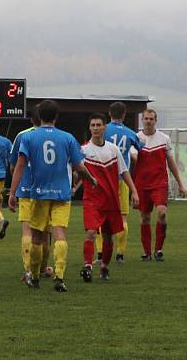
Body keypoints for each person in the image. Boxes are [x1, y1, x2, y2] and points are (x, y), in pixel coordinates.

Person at [8, 100, 97, 292]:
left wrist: (13, 192)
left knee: (37, 237)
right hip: (62, 194)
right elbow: (78, 166)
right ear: (56, 117)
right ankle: (59, 276)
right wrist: (90, 178)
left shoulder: (29, 138)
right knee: (59, 234)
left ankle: (34, 277)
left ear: (39, 117)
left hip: (38, 193)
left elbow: (20, 165)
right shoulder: (67, 138)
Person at [77, 113, 140, 283]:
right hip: (92, 200)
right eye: (93, 125)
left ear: (105, 127)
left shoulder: (113, 149)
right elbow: (77, 170)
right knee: (91, 232)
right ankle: (88, 267)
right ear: (89, 128)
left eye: (99, 125)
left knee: (107, 237)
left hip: (111, 199)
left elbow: (124, 171)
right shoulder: (83, 150)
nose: (96, 128)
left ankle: (104, 266)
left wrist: (134, 191)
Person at [134, 108, 187, 261]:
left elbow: (171, 163)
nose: (149, 121)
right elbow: (132, 157)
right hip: (142, 183)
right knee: (145, 217)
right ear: (142, 120)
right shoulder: (136, 138)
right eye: (146, 118)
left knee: (162, 213)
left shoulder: (164, 138)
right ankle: (147, 253)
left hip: (160, 182)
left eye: (151, 119)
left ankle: (158, 250)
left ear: (155, 121)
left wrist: (180, 184)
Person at [9, 110, 51, 283]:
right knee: (45, 232)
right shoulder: (54, 135)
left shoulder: (22, 136)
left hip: (26, 189)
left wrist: (14, 188)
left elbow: (14, 165)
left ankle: (28, 270)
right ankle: (42, 268)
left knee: (27, 230)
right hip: (48, 190)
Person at [101, 101, 143, 263]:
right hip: (122, 178)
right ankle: (120, 253)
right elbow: (141, 149)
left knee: (101, 216)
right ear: (124, 114)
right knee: (123, 216)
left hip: (105, 177)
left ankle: (100, 253)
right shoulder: (131, 133)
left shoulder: (104, 130)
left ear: (109, 113)